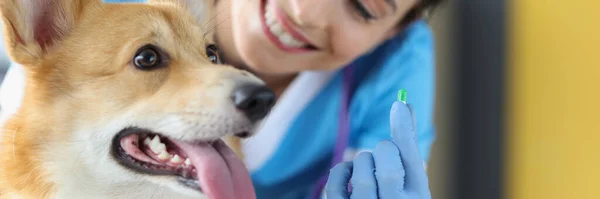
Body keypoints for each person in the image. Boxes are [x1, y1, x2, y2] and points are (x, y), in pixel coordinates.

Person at [0, 0, 442, 198]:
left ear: (391, 33)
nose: (307, 10)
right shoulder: (85, 29)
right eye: (149, 58)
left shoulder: (397, 66)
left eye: (363, 6)